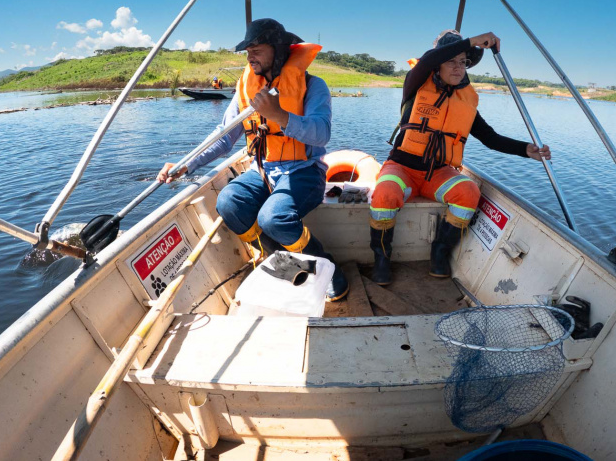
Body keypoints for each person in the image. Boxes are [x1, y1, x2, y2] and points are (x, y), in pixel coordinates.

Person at [159, 18, 348, 301]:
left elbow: (321, 134)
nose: (250, 56)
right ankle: (284, 264)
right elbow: (224, 137)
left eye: (256, 49)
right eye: (248, 50)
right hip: (264, 170)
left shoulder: (313, 86)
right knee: (228, 202)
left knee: (273, 218)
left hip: (305, 172)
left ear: (279, 49)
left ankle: (326, 270)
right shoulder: (246, 86)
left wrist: (280, 116)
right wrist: (187, 163)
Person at [368, 30, 551, 285]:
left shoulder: (465, 102)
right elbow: (427, 61)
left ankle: (440, 252)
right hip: (402, 168)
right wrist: (473, 41)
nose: (458, 67)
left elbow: (490, 138)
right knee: (385, 193)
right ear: (437, 65)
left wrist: (525, 149)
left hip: (439, 174)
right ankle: (382, 258)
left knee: (468, 192)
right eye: (451, 61)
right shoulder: (416, 82)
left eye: (463, 62)